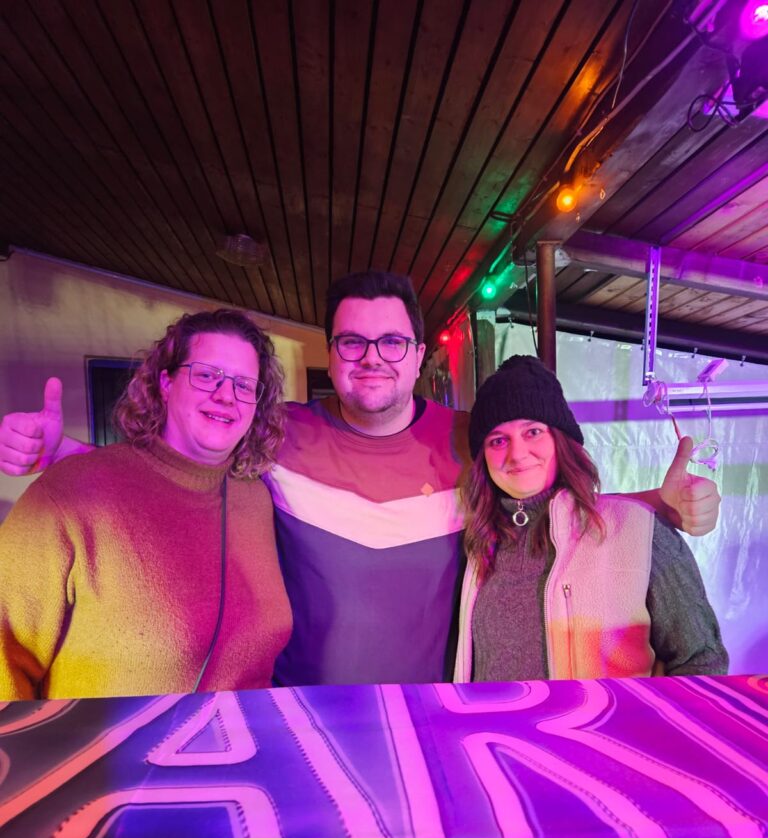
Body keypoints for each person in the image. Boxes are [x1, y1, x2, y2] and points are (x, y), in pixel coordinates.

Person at [0, 273, 721, 687]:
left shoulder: (473, 436)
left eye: (392, 342)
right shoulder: (274, 432)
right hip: (297, 719)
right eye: (352, 341)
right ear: (331, 352)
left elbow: (545, 491)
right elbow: (182, 465)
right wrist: (68, 453)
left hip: (433, 716)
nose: (372, 357)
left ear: (418, 355)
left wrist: (657, 506)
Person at [0, 310, 292, 699]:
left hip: (248, 734)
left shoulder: (255, 499)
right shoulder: (67, 493)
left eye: (244, 384)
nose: (226, 396)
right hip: (110, 740)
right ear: (166, 383)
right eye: (207, 375)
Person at [454, 356, 728, 682]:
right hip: (490, 718)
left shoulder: (639, 531)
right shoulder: (479, 542)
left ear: (561, 440)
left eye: (533, 431)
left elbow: (701, 661)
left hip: (611, 718)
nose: (517, 454)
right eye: (498, 440)